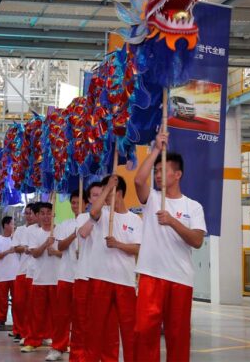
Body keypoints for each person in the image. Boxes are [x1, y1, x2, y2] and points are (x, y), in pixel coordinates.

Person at [133, 132, 206, 362]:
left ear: (178, 174)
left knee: (178, 335)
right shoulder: (153, 199)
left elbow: (197, 240)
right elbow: (138, 181)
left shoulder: (193, 207)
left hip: (180, 278)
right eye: (156, 171)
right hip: (151, 275)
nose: (157, 175)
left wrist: (172, 221)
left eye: (162, 171)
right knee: (144, 331)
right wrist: (156, 148)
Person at [86, 175, 142, 362]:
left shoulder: (135, 220)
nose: (105, 196)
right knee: (96, 328)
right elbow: (93, 212)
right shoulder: (102, 214)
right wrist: (108, 186)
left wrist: (118, 244)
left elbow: (138, 248)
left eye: (109, 192)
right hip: (100, 278)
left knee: (129, 329)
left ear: (119, 193)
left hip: (124, 281)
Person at [70, 182, 119, 362]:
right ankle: (79, 358)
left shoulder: (116, 217)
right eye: (95, 195)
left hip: (107, 278)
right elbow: (83, 233)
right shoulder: (84, 217)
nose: (100, 197)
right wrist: (94, 217)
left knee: (108, 326)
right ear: (89, 199)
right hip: (85, 276)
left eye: (103, 193)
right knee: (82, 323)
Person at [48, 190, 87, 361]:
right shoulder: (65, 224)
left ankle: (80, 349)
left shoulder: (93, 222)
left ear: (86, 204)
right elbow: (61, 247)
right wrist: (74, 234)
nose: (75, 206)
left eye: (79, 202)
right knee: (62, 314)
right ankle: (58, 347)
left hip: (84, 276)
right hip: (66, 275)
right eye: (73, 202)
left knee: (82, 316)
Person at [21, 202, 61, 353]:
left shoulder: (60, 230)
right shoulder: (34, 233)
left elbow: (66, 253)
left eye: (48, 213)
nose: (46, 216)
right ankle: (32, 341)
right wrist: (46, 244)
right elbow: (35, 254)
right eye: (42, 213)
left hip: (57, 279)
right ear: (39, 215)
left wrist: (55, 251)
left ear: (53, 214)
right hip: (39, 279)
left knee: (57, 314)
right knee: (36, 314)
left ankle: (59, 342)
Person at [11, 203, 38, 343]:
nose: (29, 216)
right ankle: (19, 330)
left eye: (31, 213)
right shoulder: (20, 230)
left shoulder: (39, 229)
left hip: (35, 271)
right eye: (26, 213)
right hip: (22, 270)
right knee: (19, 302)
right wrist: (26, 248)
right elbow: (16, 248)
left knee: (32, 304)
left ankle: (30, 332)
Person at [0, 216, 19, 327]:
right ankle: (0, 319)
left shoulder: (16, 240)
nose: (14, 226)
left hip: (15, 275)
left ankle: (17, 322)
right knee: (1, 299)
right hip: (2, 275)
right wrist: (8, 251)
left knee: (17, 300)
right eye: (12, 224)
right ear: (6, 225)